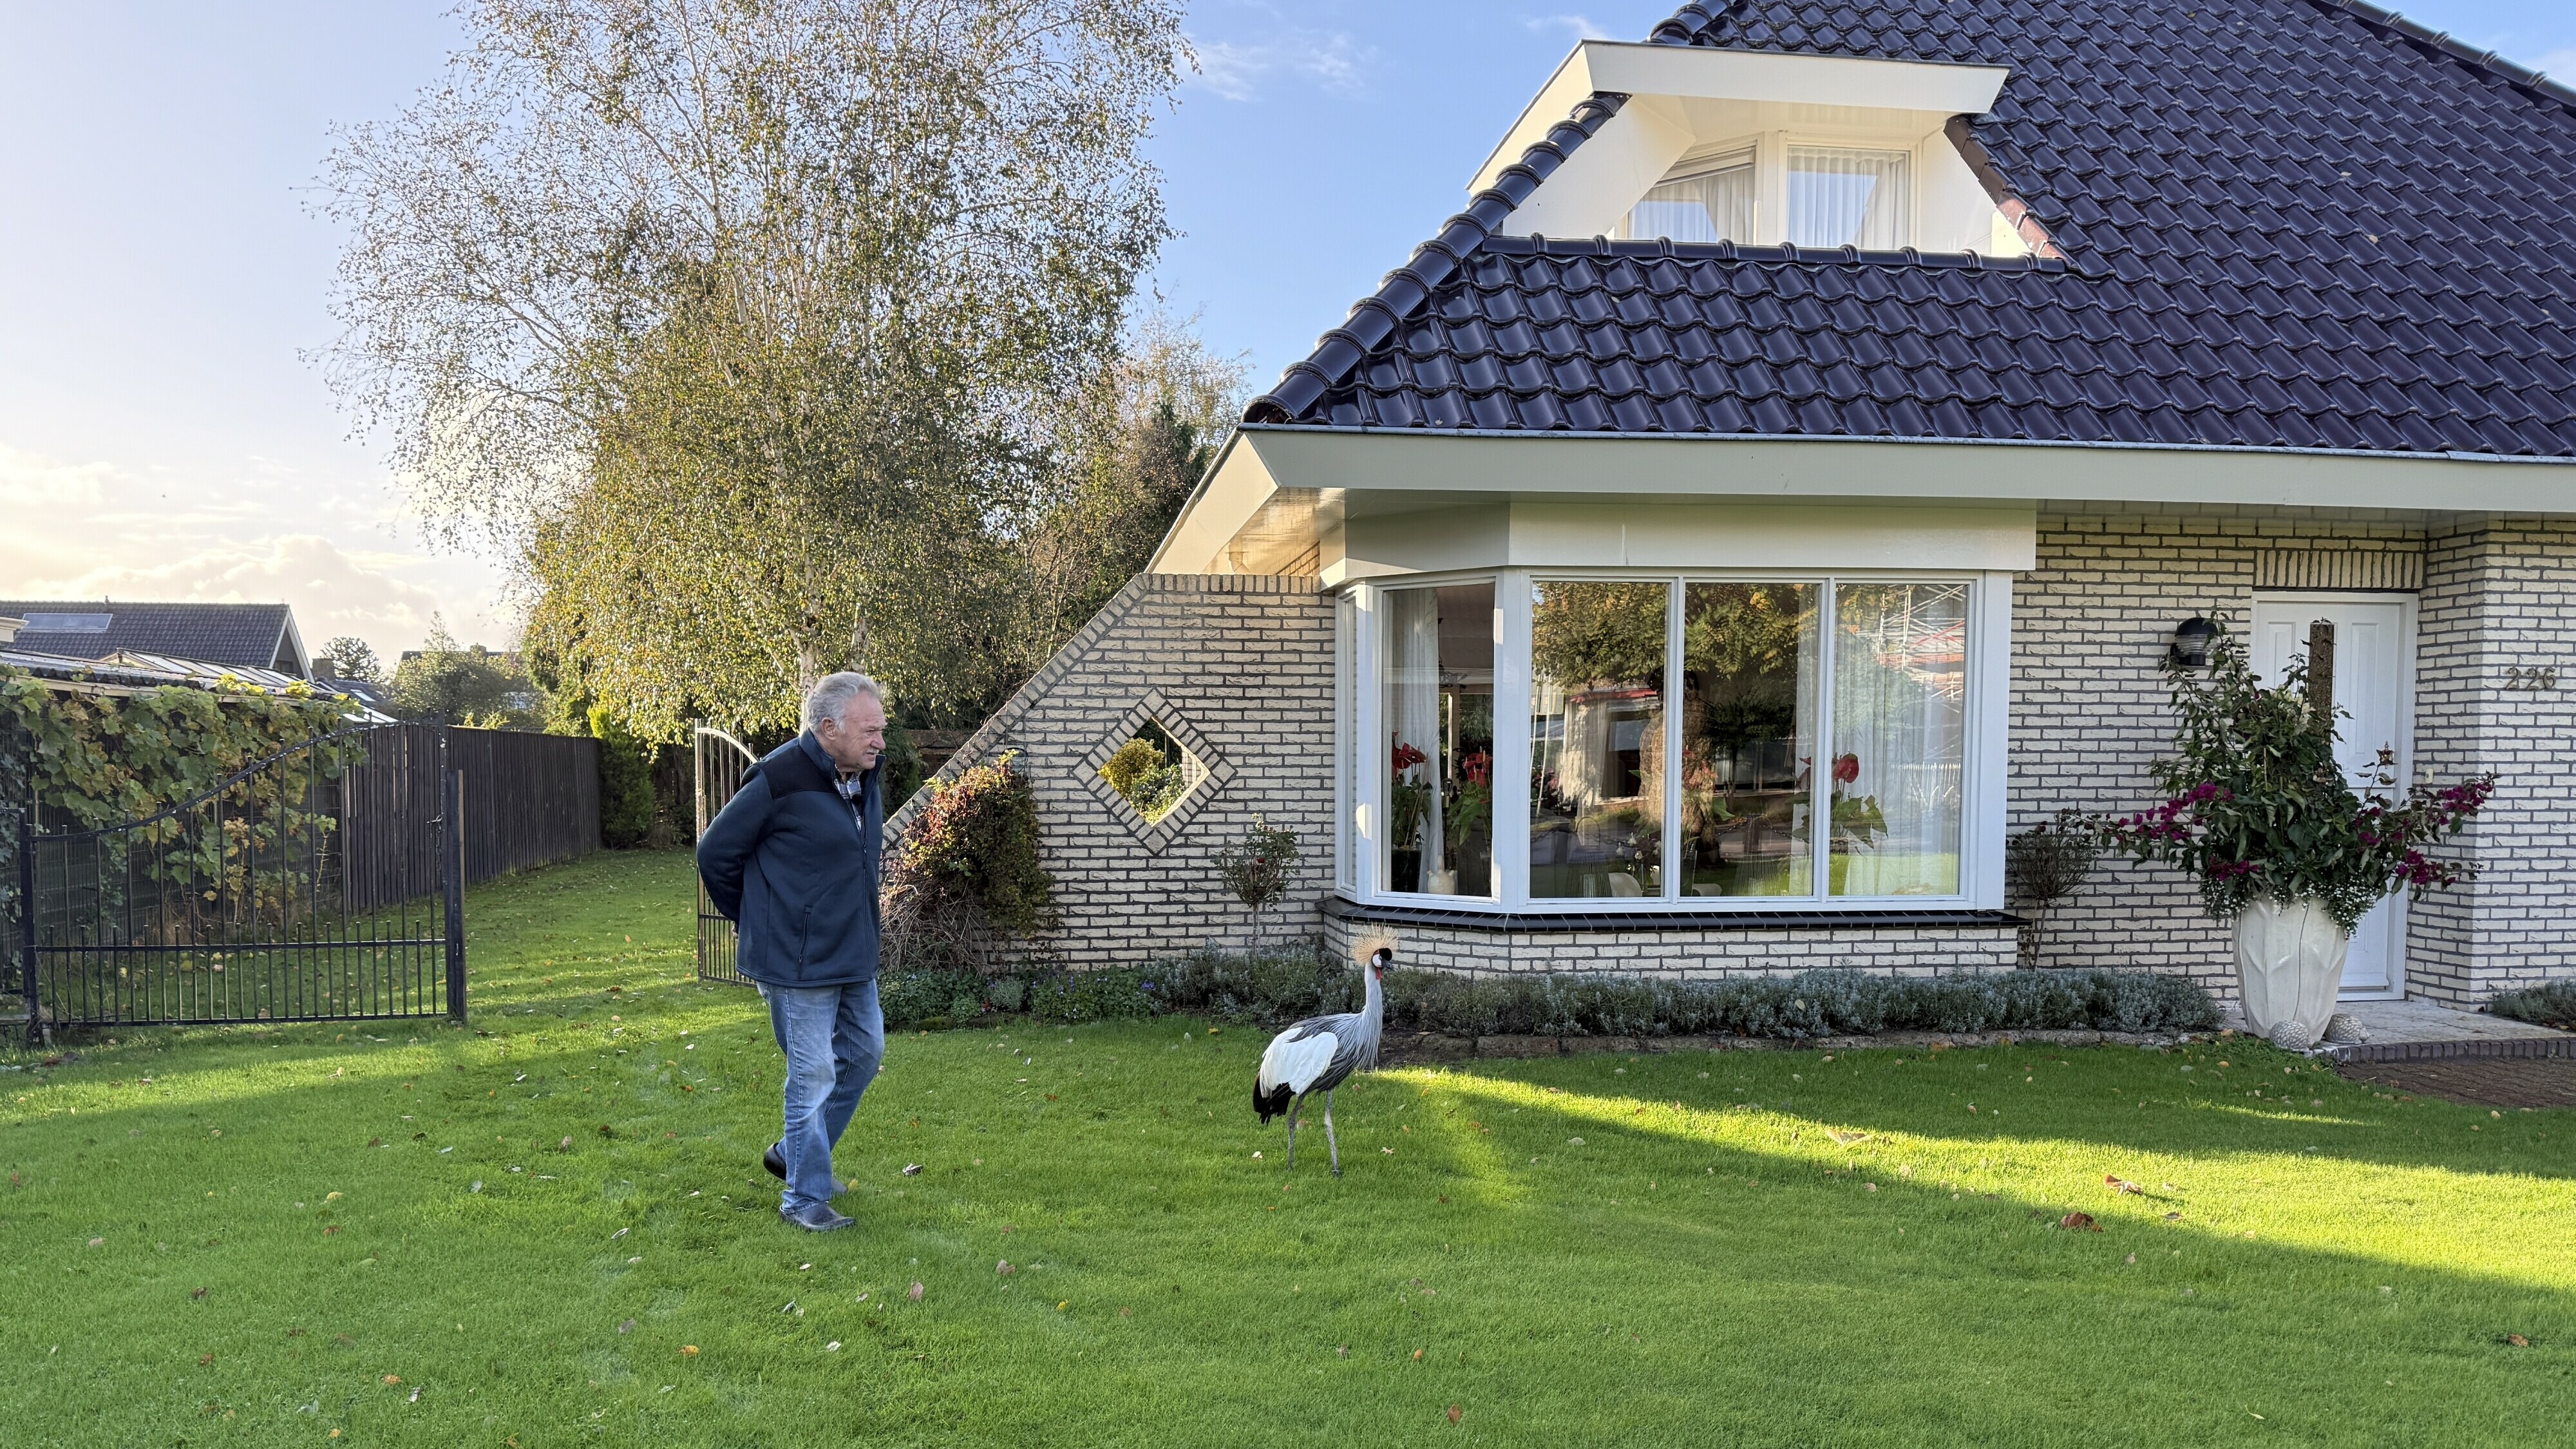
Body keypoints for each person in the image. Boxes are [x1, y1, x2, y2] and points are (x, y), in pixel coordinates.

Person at [696, 672, 888, 1231]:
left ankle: (793, 1153)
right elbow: (715, 855)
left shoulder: (864, 775)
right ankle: (803, 1199)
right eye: (869, 730)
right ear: (828, 728)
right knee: (812, 1074)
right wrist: (760, 919)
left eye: (881, 729)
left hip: (852, 950)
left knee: (864, 1054)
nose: (880, 740)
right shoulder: (777, 778)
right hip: (795, 961)